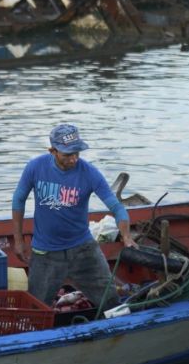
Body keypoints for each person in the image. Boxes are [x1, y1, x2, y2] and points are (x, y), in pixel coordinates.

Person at [11, 124, 135, 308]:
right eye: (67, 154)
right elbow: (18, 200)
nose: (73, 159)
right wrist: (18, 240)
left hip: (82, 249)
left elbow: (116, 207)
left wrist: (126, 236)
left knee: (110, 300)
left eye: (77, 152)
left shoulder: (89, 172)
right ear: (53, 151)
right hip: (46, 252)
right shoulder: (35, 167)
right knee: (37, 308)